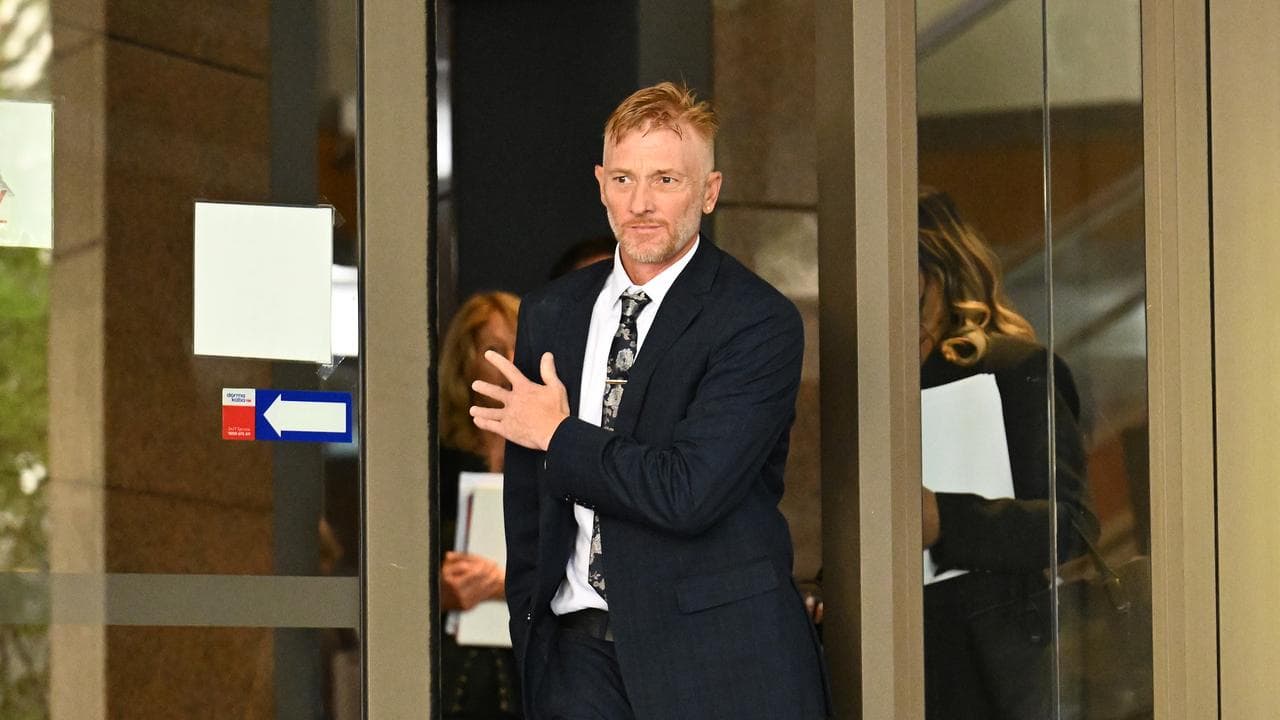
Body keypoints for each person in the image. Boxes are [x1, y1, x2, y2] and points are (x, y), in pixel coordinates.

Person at [470, 82, 830, 720]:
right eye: (624, 179)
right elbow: (532, 506)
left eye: (666, 179)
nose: (640, 203)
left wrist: (559, 434)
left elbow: (687, 491)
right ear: (601, 184)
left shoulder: (756, 321)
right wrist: (535, 632)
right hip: (575, 657)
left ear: (709, 192)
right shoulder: (552, 311)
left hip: (717, 662)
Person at [916, 187, 1097, 719]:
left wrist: (945, 518)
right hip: (899, 655)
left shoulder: (1012, 368)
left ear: (933, 270)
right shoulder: (872, 385)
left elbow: (1075, 524)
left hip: (993, 668)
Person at [439, 291, 522, 718]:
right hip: (451, 668)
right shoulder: (432, 462)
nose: (509, 361)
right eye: (494, 350)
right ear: (465, 360)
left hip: (537, 668)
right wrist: (434, 588)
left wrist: (506, 582)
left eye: (518, 347)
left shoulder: (555, 454)